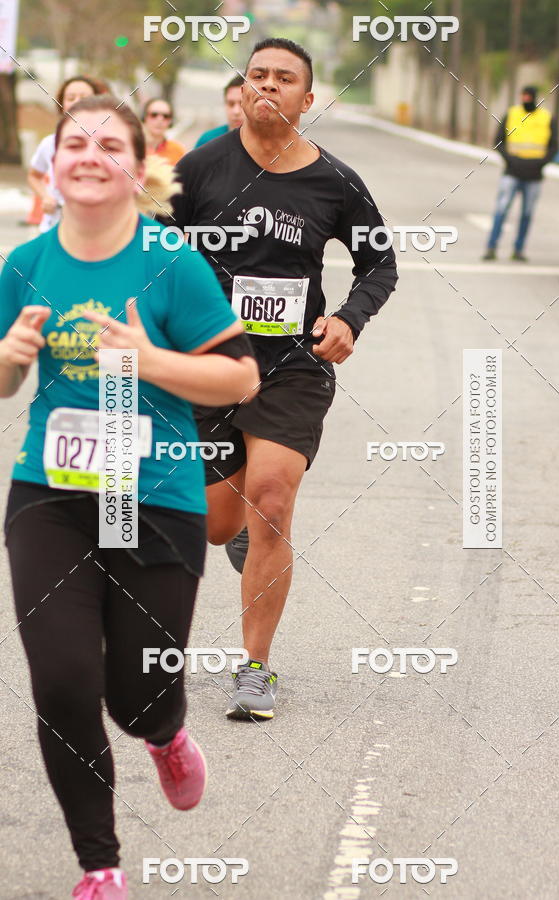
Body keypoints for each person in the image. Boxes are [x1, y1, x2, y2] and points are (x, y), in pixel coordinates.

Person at [0, 95, 258, 898]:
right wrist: (9, 358)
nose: (89, 153)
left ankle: (165, 731)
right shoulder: (23, 266)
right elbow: (5, 378)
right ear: (53, 162)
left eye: (110, 144)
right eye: (73, 141)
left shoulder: (170, 263)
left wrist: (150, 359)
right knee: (64, 683)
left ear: (138, 168)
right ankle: (99, 867)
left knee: (137, 691)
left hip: (155, 494)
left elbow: (241, 376)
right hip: (54, 490)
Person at [170, 38, 397, 721]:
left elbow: (379, 265)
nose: (267, 85)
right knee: (213, 527)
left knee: (273, 498)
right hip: (209, 365)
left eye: (284, 77)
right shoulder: (200, 169)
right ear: (241, 92)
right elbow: (149, 252)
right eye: (257, 74)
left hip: (294, 367)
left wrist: (350, 320)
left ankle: (255, 670)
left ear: (307, 97)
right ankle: (236, 523)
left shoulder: (336, 183)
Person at [483, 86, 557, 262]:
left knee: (527, 214)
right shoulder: (512, 114)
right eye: (523, 96)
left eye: (529, 96)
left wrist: (541, 163)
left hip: (534, 176)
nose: (526, 99)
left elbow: (554, 146)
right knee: (501, 210)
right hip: (512, 173)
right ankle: (491, 247)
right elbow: (498, 141)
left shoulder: (546, 118)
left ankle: (518, 249)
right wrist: (510, 160)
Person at [27, 76, 100, 233]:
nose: (77, 102)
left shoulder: (110, 145)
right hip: (54, 228)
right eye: (71, 98)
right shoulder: (50, 143)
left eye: (85, 97)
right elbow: (34, 175)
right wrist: (46, 197)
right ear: (62, 106)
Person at [194, 73, 244, 148]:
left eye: (242, 104)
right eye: (231, 104)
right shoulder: (208, 140)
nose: (236, 111)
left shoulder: (265, 144)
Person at [141, 97, 186, 165]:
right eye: (154, 115)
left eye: (166, 116)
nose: (160, 120)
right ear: (144, 117)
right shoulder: (132, 148)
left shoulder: (178, 151)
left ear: (171, 121)